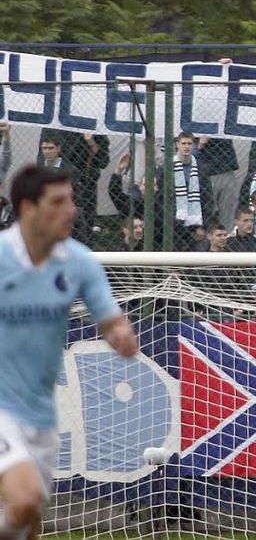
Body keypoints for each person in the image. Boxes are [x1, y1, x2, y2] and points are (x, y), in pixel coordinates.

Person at [0, 166, 138, 539]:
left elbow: (110, 319)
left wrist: (121, 335)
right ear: (29, 208)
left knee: (29, 521)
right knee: (25, 498)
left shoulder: (78, 261)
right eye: (58, 202)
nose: (72, 210)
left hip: (41, 411)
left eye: (72, 200)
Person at [160, 131, 215, 251]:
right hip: (173, 221)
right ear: (177, 145)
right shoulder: (166, 168)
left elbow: (207, 198)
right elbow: (160, 197)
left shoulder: (201, 169)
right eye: (183, 143)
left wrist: (203, 226)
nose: (186, 146)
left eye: (189, 143)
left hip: (195, 222)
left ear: (194, 146)